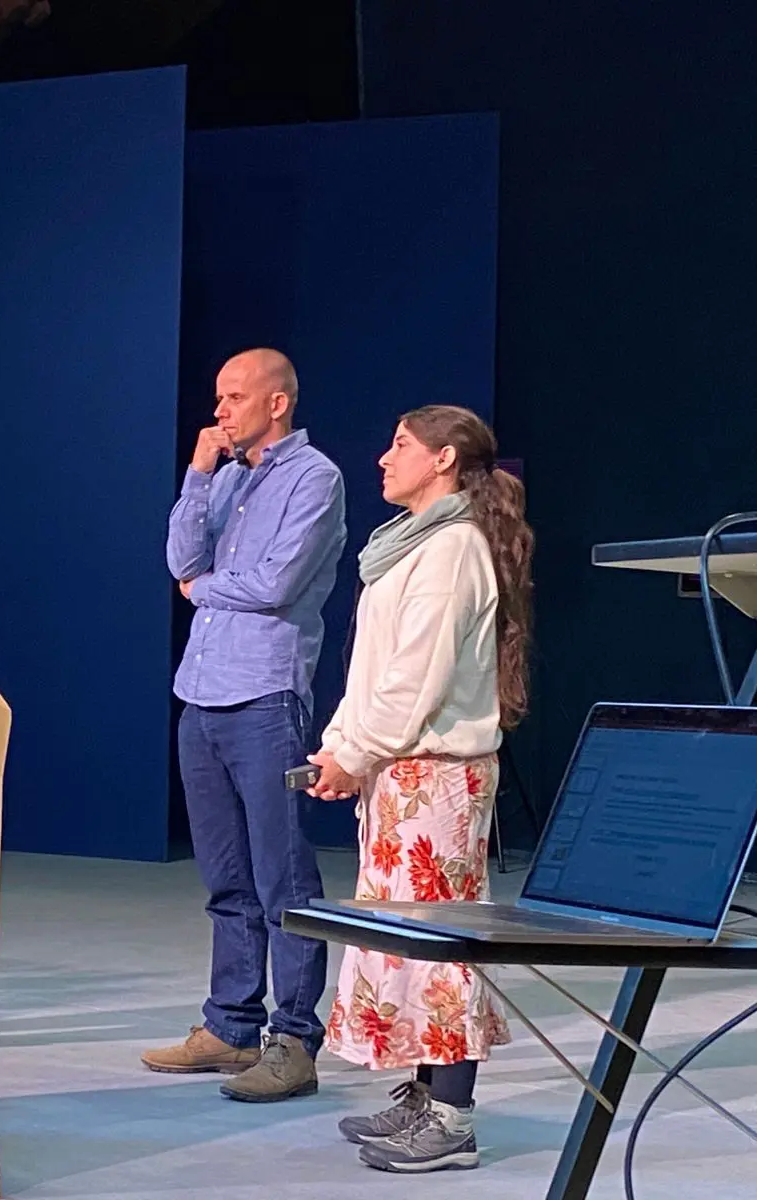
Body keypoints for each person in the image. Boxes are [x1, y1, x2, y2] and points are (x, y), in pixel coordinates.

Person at [306, 404, 533, 1174]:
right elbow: (374, 672)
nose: (382, 457)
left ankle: (453, 1118)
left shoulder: (452, 549)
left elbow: (417, 679)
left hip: (435, 775)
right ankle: (424, 1093)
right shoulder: (411, 547)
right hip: (403, 771)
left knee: (440, 942)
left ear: (442, 460)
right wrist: (342, 750)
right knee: (406, 936)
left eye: (399, 444)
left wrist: (359, 753)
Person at [141, 348, 346, 1103]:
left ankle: (293, 1039)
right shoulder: (226, 479)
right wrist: (198, 476)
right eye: (218, 396)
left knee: (282, 877)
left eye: (233, 397)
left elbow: (275, 585)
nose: (220, 411)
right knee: (225, 879)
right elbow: (178, 558)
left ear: (277, 403)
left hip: (265, 696)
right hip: (201, 694)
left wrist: (202, 590)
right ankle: (229, 1028)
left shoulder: (314, 478)